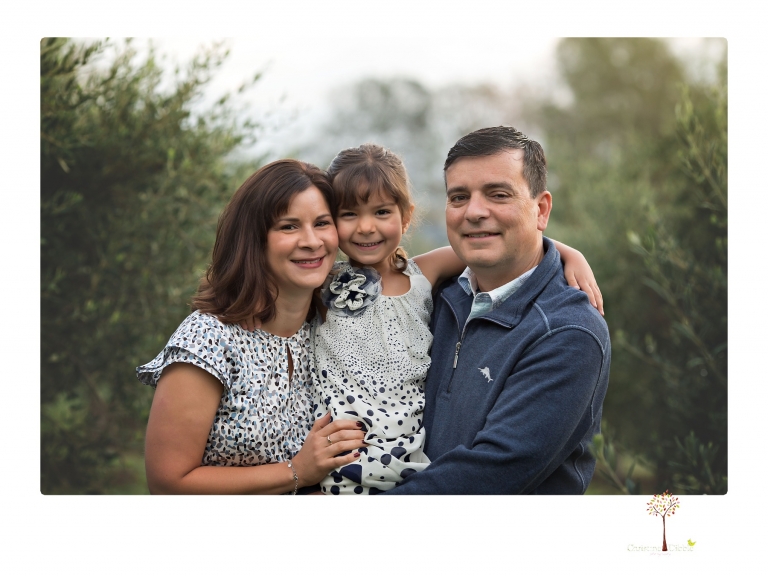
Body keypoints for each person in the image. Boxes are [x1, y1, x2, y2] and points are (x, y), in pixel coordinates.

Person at [310, 143, 605, 494]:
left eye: (498, 194)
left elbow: (496, 471)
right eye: (460, 197)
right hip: (334, 463)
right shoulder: (448, 293)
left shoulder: (566, 331)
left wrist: (568, 253)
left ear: (405, 216)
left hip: (403, 472)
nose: (366, 227)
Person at [136, 159, 366, 494]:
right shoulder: (208, 339)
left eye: (322, 223)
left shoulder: (332, 324)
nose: (312, 241)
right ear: (254, 240)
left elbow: (407, 272)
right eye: (288, 227)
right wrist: (297, 471)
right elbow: (168, 483)